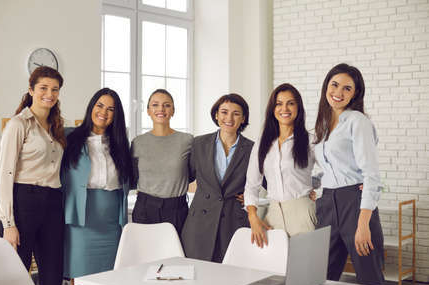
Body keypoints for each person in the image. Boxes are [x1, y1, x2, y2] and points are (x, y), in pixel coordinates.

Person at [0, 66, 65, 285]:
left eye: (54, 89)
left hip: (54, 203)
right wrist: (8, 223)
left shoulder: (56, 127)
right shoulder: (18, 124)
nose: (50, 94)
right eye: (43, 88)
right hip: (24, 201)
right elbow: (5, 174)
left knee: (53, 276)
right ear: (31, 90)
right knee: (15, 277)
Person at [314, 63, 384, 285]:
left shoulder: (358, 122)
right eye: (334, 85)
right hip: (327, 204)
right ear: (326, 86)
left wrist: (363, 224)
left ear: (355, 94)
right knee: (320, 278)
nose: (338, 92)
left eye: (347, 88)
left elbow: (371, 175)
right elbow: (327, 170)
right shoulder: (323, 126)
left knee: (369, 278)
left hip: (354, 205)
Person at [62, 88, 132, 285]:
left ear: (116, 115)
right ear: (91, 107)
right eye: (100, 105)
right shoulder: (69, 138)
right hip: (80, 222)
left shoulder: (120, 144)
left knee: (108, 284)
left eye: (111, 109)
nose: (104, 112)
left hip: (111, 224)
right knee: (77, 283)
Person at [181, 93, 253, 263]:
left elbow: (265, 183)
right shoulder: (199, 144)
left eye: (236, 113)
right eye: (224, 112)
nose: (229, 118)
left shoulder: (252, 149)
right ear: (216, 115)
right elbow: (187, 176)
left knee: (230, 276)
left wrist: (249, 197)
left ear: (243, 118)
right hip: (200, 222)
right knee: (196, 275)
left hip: (233, 222)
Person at [244, 83, 317, 247]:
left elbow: (330, 172)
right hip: (273, 214)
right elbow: (251, 184)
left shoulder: (311, 141)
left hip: (303, 213)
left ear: (298, 108)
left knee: (305, 269)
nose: (285, 108)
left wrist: (316, 185)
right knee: (273, 269)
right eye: (279, 103)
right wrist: (253, 217)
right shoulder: (262, 144)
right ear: (272, 108)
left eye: (291, 103)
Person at [131, 89, 193, 234]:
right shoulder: (137, 142)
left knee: (176, 254)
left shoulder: (187, 141)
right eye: (155, 105)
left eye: (166, 105)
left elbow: (196, 172)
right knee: (146, 255)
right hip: (145, 209)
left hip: (177, 209)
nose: (161, 109)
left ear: (173, 111)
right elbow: (133, 175)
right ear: (148, 111)